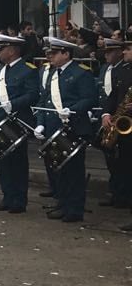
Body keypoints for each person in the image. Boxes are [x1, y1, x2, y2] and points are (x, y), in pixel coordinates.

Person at [33, 36, 97, 223]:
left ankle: (74, 209)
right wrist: (41, 122)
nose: (49, 56)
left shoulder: (81, 73)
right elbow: (45, 101)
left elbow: (89, 98)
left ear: (66, 53)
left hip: (74, 127)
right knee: (58, 169)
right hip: (54, 128)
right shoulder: (53, 74)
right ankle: (63, 203)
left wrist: (73, 109)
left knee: (74, 171)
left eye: (53, 53)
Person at [0, 34, 39, 213]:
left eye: (1, 49)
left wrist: (14, 103)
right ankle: (7, 196)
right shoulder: (0, 70)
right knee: (2, 160)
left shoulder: (28, 69)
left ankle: (19, 200)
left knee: (18, 162)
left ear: (12, 50)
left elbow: (32, 94)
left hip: (17, 121)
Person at [100, 37, 132, 229]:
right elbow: (114, 96)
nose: (124, 53)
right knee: (126, 168)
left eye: (128, 49)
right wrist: (106, 113)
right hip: (126, 127)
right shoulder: (121, 71)